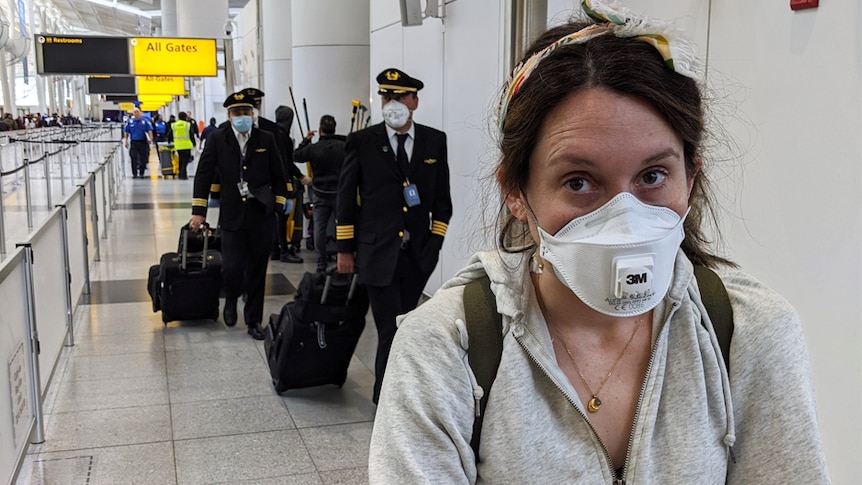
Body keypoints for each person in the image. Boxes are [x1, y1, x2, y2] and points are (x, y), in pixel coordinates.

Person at [367, 3, 830, 484]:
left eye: (653, 175)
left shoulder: (751, 333)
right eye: (579, 182)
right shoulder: (446, 348)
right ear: (515, 192)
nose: (624, 219)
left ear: (690, 177)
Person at [336, 67, 453, 404]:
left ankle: (401, 391)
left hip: (418, 256)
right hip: (376, 253)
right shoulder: (362, 142)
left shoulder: (434, 141)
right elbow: (345, 200)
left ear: (414, 101)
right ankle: (385, 397)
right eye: (387, 96)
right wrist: (345, 249)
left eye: (400, 96)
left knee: (408, 325)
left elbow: (443, 202)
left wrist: (434, 245)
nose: (393, 103)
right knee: (389, 326)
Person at [188, 91, 289, 340]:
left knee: (257, 269)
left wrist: (278, 204)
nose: (242, 117)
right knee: (232, 268)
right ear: (229, 115)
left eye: (246, 112)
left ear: (252, 114)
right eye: (237, 113)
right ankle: (231, 299)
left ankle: (254, 319)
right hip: (232, 216)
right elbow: (203, 175)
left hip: (260, 215)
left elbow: (279, 174)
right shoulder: (217, 139)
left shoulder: (266, 138)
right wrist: (198, 213)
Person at [293, 114, 346, 271]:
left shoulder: (313, 148)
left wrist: (306, 140)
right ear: (334, 129)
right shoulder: (344, 147)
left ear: (320, 130)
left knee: (319, 229)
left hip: (320, 193)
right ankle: (342, 258)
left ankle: (321, 262)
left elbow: (296, 156)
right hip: (339, 193)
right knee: (343, 227)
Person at [273, 103, 311, 263]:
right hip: (282, 182)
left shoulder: (272, 133)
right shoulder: (283, 137)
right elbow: (287, 161)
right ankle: (283, 252)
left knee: (276, 217)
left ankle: (275, 251)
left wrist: (304, 141)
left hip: (273, 181)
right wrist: (301, 176)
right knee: (282, 217)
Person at [123, 107, 152, 178]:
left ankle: (142, 172)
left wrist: (150, 139)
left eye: (137, 112)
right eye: (135, 112)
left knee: (143, 158)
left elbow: (149, 130)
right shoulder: (130, 122)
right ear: (133, 113)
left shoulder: (145, 121)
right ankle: (134, 173)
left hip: (143, 142)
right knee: (133, 157)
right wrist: (126, 141)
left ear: (140, 113)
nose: (136, 114)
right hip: (134, 142)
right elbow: (126, 132)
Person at [172, 112, 194, 179]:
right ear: (185, 117)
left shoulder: (174, 125)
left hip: (178, 145)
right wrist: (194, 143)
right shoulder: (187, 124)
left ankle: (180, 174)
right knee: (186, 161)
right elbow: (191, 135)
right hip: (186, 145)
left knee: (181, 160)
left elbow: (170, 134)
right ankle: (183, 174)